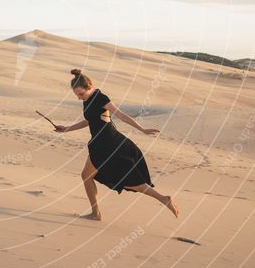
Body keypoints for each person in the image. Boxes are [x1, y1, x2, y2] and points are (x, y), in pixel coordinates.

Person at [55, 68, 180, 221]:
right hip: (99, 143)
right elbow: (90, 120)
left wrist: (142, 129)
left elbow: (121, 115)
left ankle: (163, 199)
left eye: (81, 94)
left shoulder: (101, 98)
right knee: (87, 176)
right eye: (77, 95)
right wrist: (66, 129)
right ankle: (96, 213)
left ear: (90, 86)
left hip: (109, 143)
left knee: (130, 182)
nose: (80, 98)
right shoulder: (87, 100)